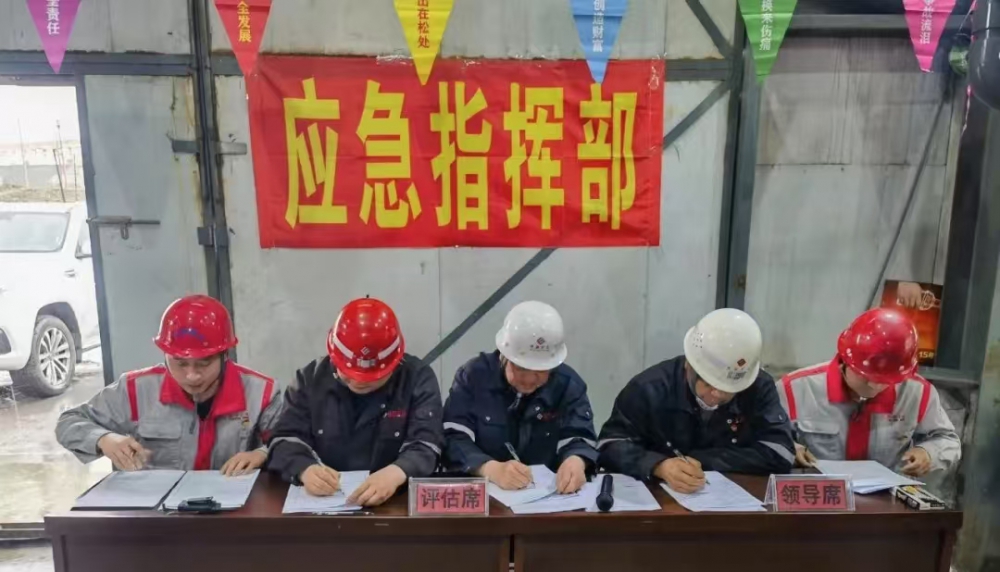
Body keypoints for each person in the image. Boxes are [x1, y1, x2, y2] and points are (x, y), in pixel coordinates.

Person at [56, 295, 282, 475]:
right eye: (180, 363)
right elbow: (69, 422)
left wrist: (262, 454)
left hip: (232, 509)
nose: (192, 376)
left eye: (204, 363)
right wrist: (103, 439)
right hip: (157, 513)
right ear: (165, 354)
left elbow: (291, 440)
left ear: (224, 355)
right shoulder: (135, 390)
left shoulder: (261, 393)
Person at [267, 297, 443, 507]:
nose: (359, 381)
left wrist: (397, 472)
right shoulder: (309, 380)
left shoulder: (417, 378)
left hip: (396, 503)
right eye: (349, 373)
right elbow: (284, 438)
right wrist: (305, 469)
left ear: (395, 364)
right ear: (334, 356)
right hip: (324, 504)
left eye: (372, 376)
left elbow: (428, 441)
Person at [598, 308, 794, 493]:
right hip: (661, 500)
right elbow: (609, 444)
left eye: (728, 389)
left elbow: (780, 452)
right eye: (709, 384)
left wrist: (704, 459)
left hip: (733, 500)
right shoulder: (649, 388)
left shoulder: (758, 387)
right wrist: (658, 465)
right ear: (689, 366)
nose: (717, 395)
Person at [778, 308, 960, 477]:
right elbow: (764, 439)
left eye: (886, 380)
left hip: (884, 498)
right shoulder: (794, 390)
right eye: (865, 376)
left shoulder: (917, 393)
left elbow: (947, 439)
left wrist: (928, 453)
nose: (874, 385)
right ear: (845, 359)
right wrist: (788, 449)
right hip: (817, 496)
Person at [442, 301, 598, 494]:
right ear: (504, 355)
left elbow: (580, 436)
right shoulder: (474, 377)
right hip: (484, 496)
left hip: (548, 497)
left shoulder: (568, 385)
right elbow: (453, 436)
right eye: (521, 368)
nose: (530, 379)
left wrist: (577, 461)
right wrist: (489, 468)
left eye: (541, 370)